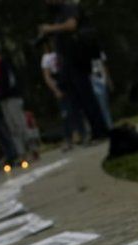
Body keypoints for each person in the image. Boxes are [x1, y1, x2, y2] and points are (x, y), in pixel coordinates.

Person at [40, 0, 109, 140]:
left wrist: (51, 28)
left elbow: (72, 25)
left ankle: (100, 130)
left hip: (78, 57)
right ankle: (91, 130)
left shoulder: (69, 7)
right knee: (78, 97)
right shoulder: (58, 13)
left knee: (87, 95)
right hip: (68, 60)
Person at [0, 38, 33, 161]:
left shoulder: (3, 62)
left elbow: (9, 82)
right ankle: (21, 152)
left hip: (12, 97)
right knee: (12, 127)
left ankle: (32, 149)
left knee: (19, 123)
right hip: (3, 99)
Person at [40, 41, 83, 149]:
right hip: (58, 82)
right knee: (66, 112)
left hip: (68, 80)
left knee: (75, 108)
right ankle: (70, 136)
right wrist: (55, 90)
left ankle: (80, 132)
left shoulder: (61, 52)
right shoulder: (46, 58)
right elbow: (47, 76)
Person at [90, 51, 112, 129]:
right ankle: (106, 127)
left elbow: (105, 67)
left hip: (102, 81)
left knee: (104, 107)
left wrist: (109, 81)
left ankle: (109, 126)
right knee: (100, 108)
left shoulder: (100, 53)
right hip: (92, 83)